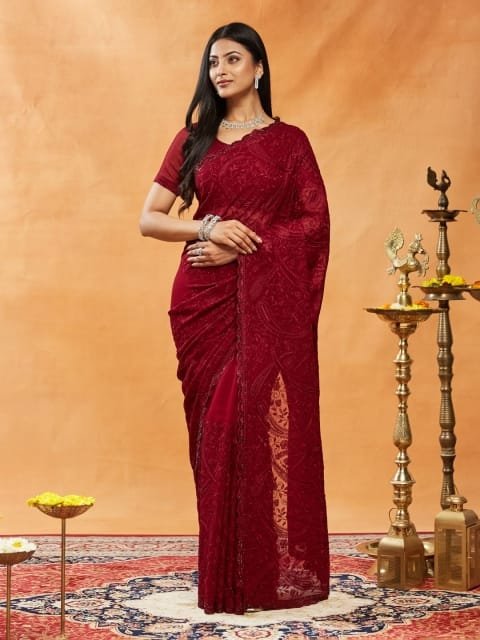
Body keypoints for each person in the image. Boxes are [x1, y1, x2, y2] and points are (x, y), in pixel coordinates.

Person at [140, 22, 330, 615]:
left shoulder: (290, 143)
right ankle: (225, 571)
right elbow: (150, 218)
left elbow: (314, 225)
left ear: (259, 68)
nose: (220, 70)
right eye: (213, 61)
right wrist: (208, 227)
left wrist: (246, 248)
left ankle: (259, 575)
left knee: (250, 424)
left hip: (265, 304)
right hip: (202, 300)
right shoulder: (194, 138)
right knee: (213, 434)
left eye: (233, 59)